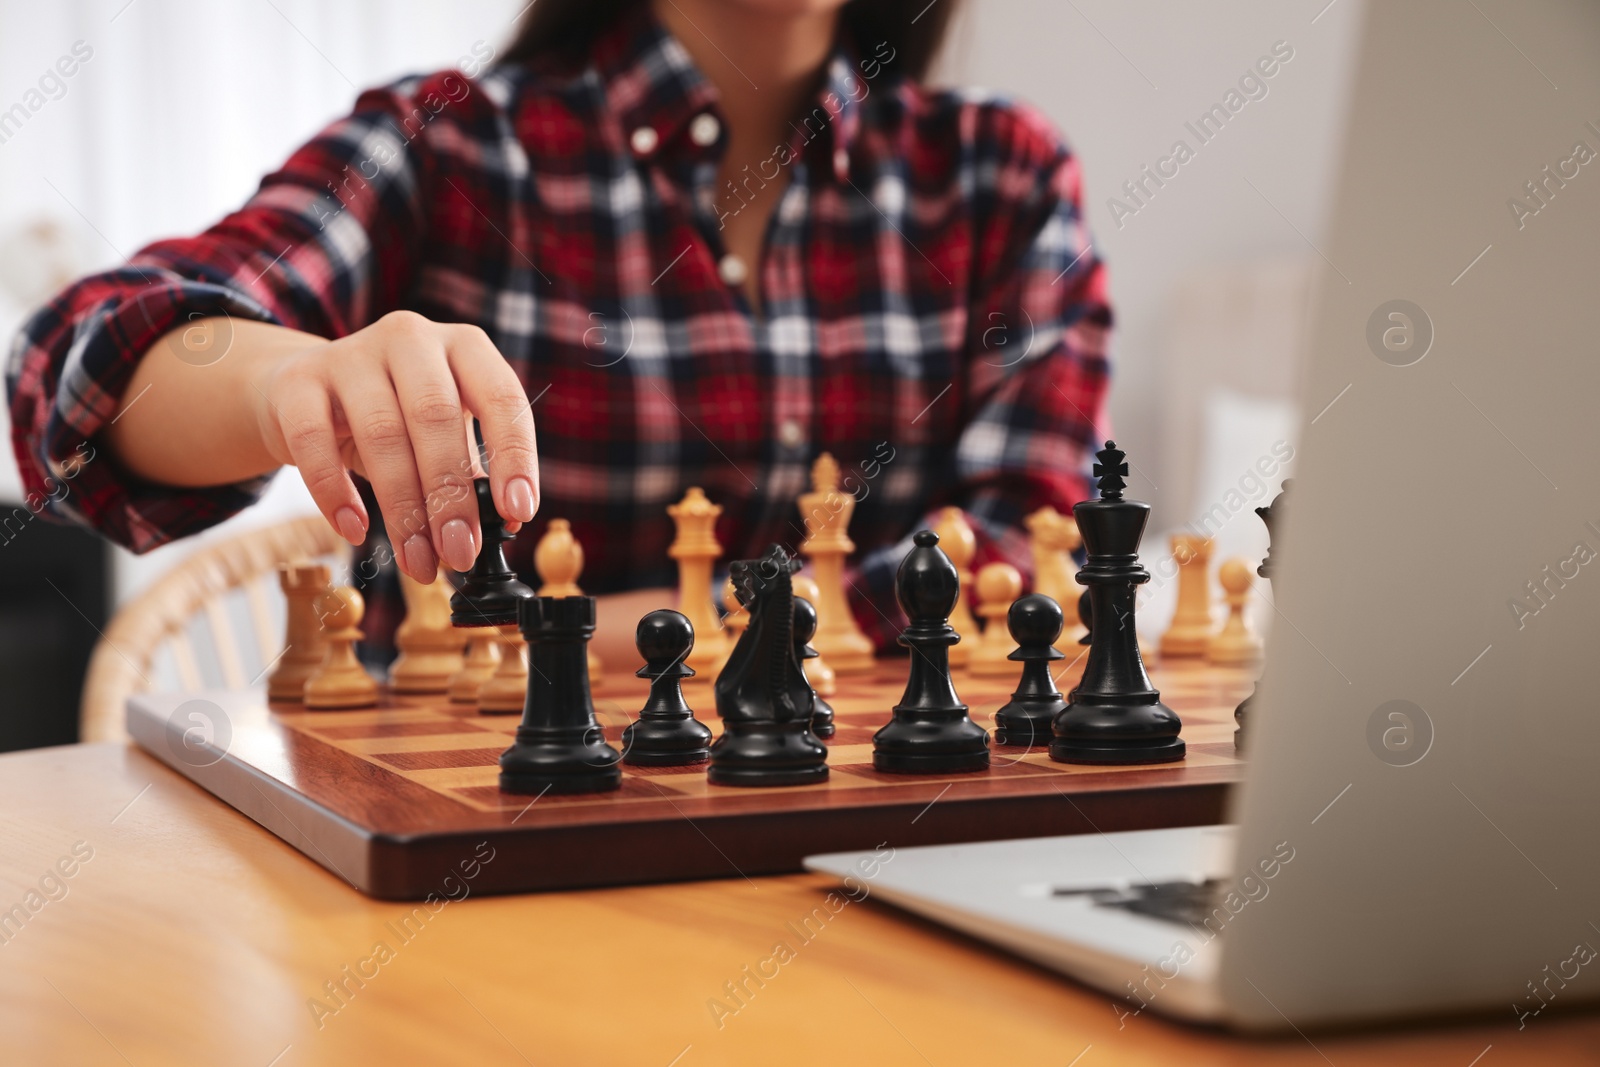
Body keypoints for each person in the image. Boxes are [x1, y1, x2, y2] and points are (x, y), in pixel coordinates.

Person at [6, 0, 1108, 668]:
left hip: (875, 848)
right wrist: (287, 378)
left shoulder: (1000, 174)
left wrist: (604, 635)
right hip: (473, 849)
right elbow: (71, 372)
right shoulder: (450, 144)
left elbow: (1025, 561)